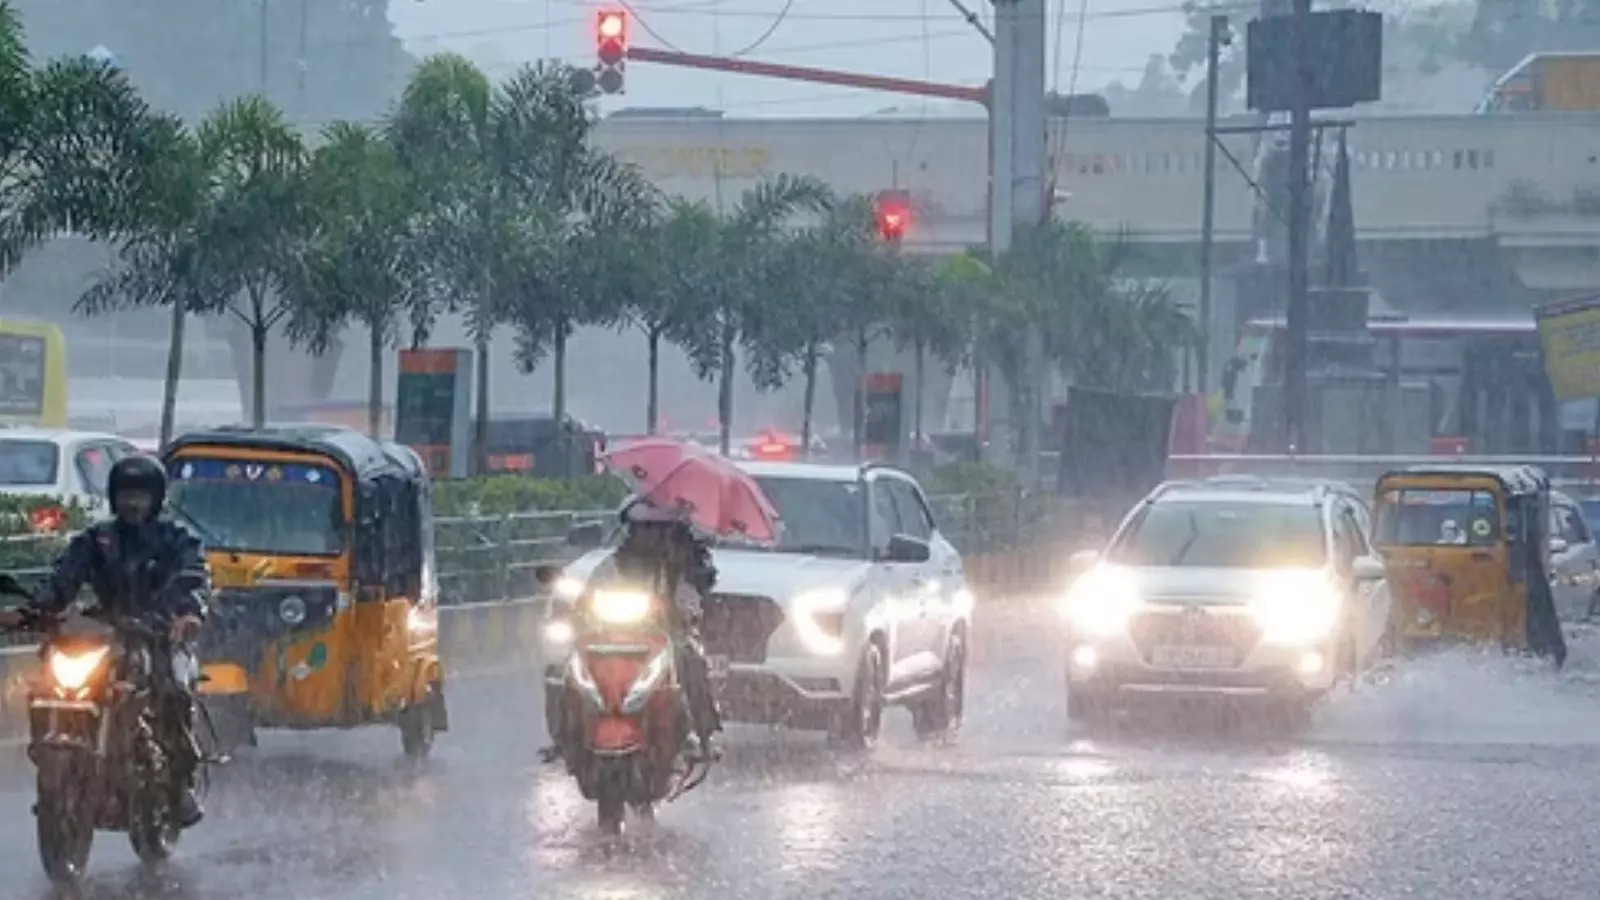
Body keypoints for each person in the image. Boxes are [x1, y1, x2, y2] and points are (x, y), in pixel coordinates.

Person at [0, 455, 210, 827]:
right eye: (126, 494)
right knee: (50, 678)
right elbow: (63, 579)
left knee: (174, 690)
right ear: (114, 496)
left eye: (141, 495)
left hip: (159, 632)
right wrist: (32, 610)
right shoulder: (96, 539)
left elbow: (193, 577)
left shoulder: (177, 538)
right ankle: (53, 757)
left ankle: (180, 786)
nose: (133, 502)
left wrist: (188, 613)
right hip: (106, 630)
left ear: (156, 498)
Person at [572, 498, 724, 762]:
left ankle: (699, 734)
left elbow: (691, 598)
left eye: (656, 528)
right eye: (642, 528)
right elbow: (588, 596)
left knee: (690, 659)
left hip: (664, 638)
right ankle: (568, 734)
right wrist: (580, 608)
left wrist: (685, 610)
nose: (649, 536)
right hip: (610, 639)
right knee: (565, 668)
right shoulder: (612, 565)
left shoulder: (681, 567)